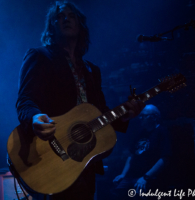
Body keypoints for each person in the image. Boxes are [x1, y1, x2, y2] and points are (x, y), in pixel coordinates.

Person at [15, 1, 145, 200]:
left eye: (71, 15)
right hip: (51, 155)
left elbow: (100, 113)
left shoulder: (92, 70)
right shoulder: (40, 56)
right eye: (59, 16)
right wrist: (34, 118)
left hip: (85, 162)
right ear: (52, 25)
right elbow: (25, 99)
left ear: (80, 24)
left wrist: (126, 115)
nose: (65, 18)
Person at [112, 104, 171, 199]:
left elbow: (164, 158)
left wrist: (146, 177)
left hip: (148, 177)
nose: (141, 118)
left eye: (145, 116)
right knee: (116, 191)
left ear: (155, 117)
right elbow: (131, 155)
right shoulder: (140, 132)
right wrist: (123, 174)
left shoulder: (162, 132)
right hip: (132, 176)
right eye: (141, 115)